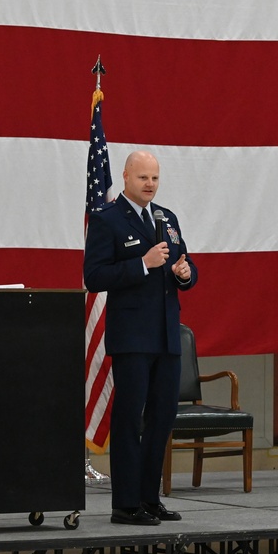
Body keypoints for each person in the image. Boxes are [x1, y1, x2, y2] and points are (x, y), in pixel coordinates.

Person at [83, 150, 196, 526]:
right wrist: (141, 264)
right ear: (127, 177)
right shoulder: (107, 220)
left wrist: (183, 272)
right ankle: (126, 503)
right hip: (132, 335)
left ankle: (150, 498)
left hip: (166, 334)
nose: (150, 184)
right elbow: (94, 276)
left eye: (155, 178)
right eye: (143, 178)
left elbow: (188, 267)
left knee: (162, 418)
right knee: (130, 420)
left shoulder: (167, 217)